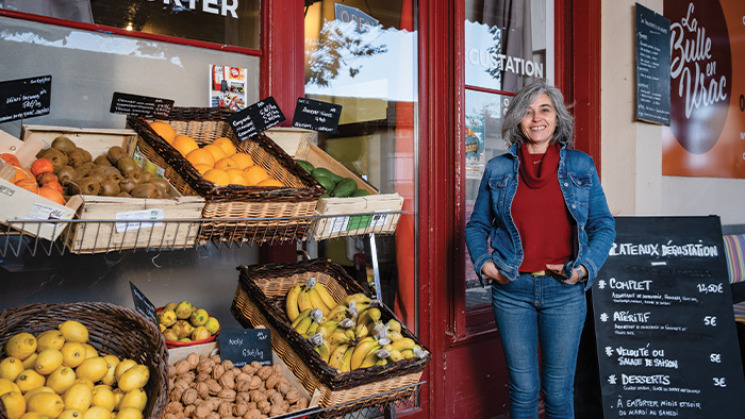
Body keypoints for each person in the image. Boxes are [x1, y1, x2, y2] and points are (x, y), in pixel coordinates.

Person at [465, 80, 615, 418]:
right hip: (512, 291)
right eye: (528, 112)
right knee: (523, 394)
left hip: (564, 291)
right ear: (517, 120)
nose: (536, 118)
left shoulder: (580, 166)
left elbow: (603, 225)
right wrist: (485, 263)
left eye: (544, 110)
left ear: (557, 118)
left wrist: (583, 268)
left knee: (560, 394)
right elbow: (477, 226)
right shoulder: (498, 168)